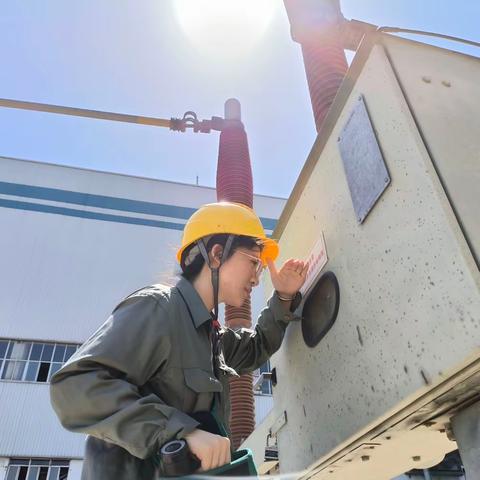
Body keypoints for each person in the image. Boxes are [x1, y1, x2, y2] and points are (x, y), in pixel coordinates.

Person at [50, 201, 308, 480]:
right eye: (253, 263)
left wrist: (283, 297)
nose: (256, 279)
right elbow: (75, 386)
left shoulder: (210, 336)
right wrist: (177, 430)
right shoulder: (159, 308)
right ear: (217, 254)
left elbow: (256, 347)